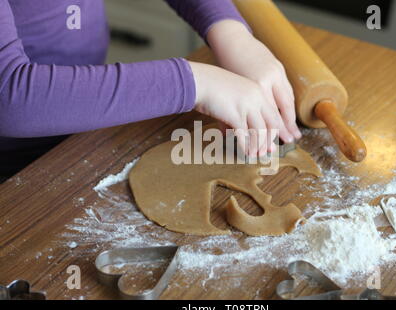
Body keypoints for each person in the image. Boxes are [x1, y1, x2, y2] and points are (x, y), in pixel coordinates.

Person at [0, 0, 301, 181]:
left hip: (80, 130)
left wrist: (230, 33)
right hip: (11, 168)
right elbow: (11, 98)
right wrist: (196, 83)